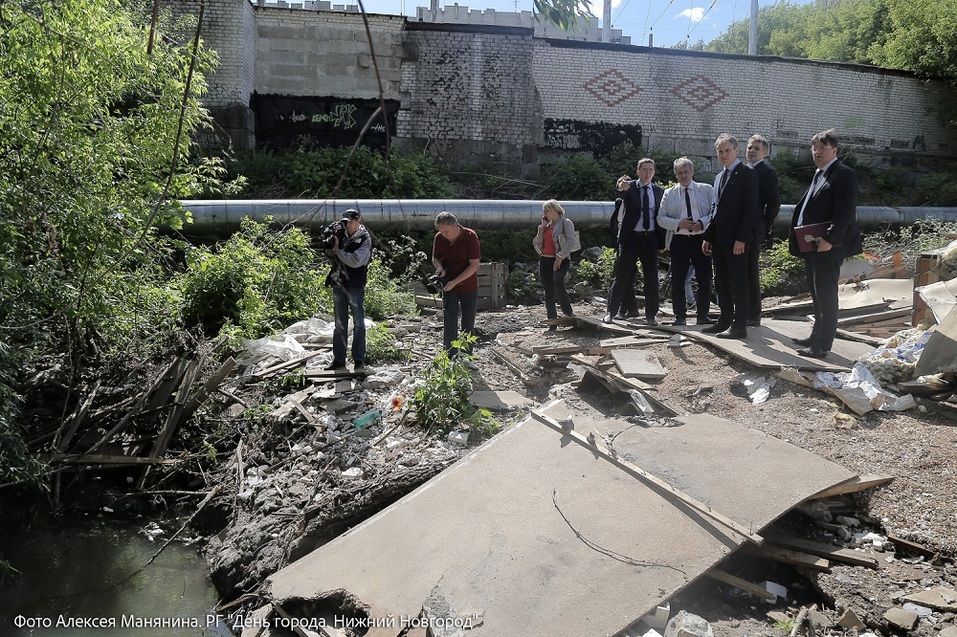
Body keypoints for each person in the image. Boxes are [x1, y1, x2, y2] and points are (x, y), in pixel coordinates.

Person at [788, 128, 863, 358]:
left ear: (835, 150)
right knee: (816, 292)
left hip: (829, 246)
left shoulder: (843, 174)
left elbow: (845, 212)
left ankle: (822, 346)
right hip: (812, 244)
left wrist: (830, 239)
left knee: (827, 295)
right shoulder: (820, 174)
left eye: (822, 148)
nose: (817, 152)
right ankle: (815, 335)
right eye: (814, 148)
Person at [702, 134, 760, 339]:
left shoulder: (747, 173)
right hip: (719, 239)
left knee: (739, 281)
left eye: (727, 150)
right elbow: (715, 210)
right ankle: (724, 319)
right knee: (721, 281)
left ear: (736, 151)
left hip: (737, 240)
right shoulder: (719, 177)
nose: (724, 155)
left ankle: (739, 325)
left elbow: (751, 209)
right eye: (720, 151)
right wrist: (708, 236)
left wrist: (742, 238)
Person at [604, 158, 664, 326]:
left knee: (651, 278)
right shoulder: (630, 187)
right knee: (621, 276)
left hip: (650, 238)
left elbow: (661, 216)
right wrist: (620, 186)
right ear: (637, 171)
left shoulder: (659, 191)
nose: (647, 173)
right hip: (631, 238)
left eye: (651, 170)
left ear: (654, 172)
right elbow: (620, 192)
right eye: (644, 169)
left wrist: (663, 240)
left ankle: (651, 315)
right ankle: (611, 312)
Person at [657, 157, 715, 326]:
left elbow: (715, 212)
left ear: (692, 172)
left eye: (686, 172)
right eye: (679, 173)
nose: (683, 176)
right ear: (676, 174)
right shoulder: (669, 193)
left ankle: (702, 315)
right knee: (678, 279)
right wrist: (678, 224)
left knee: (705, 278)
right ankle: (680, 316)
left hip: (701, 239)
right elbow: (661, 218)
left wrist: (703, 223)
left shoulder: (706, 189)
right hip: (679, 239)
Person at [324, 209, 372, 373]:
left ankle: (359, 360)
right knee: (339, 324)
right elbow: (330, 256)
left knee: (358, 323)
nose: (348, 224)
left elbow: (356, 261)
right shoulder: (339, 234)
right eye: (346, 221)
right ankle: (338, 360)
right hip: (339, 282)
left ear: (359, 220)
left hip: (355, 284)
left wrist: (338, 251)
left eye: (351, 221)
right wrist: (330, 247)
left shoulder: (364, 238)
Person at [432, 211, 481, 355]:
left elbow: (474, 265)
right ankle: (449, 355)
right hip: (448, 285)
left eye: (446, 231)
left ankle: (467, 355)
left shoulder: (470, 236)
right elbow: (435, 258)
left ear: (454, 225)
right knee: (449, 321)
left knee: (468, 321)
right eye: (441, 232)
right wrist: (439, 268)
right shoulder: (439, 237)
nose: (444, 235)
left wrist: (455, 282)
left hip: (468, 285)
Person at [745, 134, 782, 327]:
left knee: (751, 270)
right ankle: (742, 309)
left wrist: (764, 227)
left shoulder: (766, 172)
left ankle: (754, 314)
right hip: (740, 229)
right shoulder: (742, 170)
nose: (751, 151)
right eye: (749, 147)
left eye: (756, 148)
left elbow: (774, 204)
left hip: (754, 230)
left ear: (765, 153)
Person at [532, 199, 578, 329]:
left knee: (557, 281)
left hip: (561, 259)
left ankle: (568, 312)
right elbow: (537, 243)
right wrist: (541, 230)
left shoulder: (566, 223)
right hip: (545, 260)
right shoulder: (545, 226)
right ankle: (552, 319)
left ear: (555, 210)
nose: (545, 213)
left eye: (547, 210)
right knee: (548, 290)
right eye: (544, 211)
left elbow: (570, 241)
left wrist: (560, 257)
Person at [609, 197, 639, 318]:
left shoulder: (637, 201)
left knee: (625, 276)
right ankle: (631, 308)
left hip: (634, 241)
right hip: (621, 242)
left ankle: (624, 309)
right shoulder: (619, 202)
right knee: (622, 276)